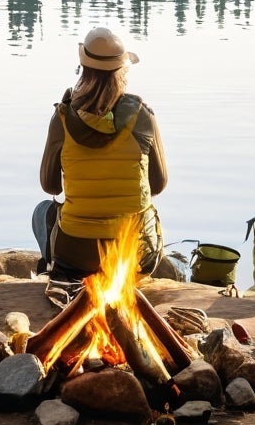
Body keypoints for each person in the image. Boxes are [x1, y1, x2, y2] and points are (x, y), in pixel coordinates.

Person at [33, 26, 168, 281]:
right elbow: (158, 185)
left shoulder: (61, 118)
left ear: (82, 70)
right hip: (133, 255)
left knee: (43, 211)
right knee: (148, 213)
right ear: (122, 72)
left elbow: (49, 186)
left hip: (76, 258)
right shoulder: (143, 116)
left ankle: (55, 271)